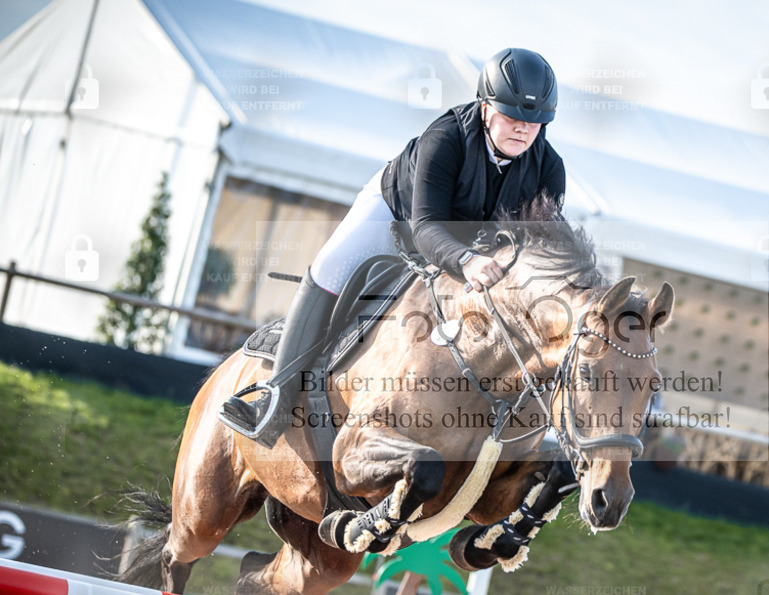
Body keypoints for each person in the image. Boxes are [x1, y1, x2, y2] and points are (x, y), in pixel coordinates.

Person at [219, 48, 566, 446]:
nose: (523, 129)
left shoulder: (549, 168)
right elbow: (426, 228)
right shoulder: (446, 139)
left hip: (471, 245)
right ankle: (276, 400)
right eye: (512, 116)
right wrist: (467, 260)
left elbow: (536, 248)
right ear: (486, 107)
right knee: (331, 265)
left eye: (535, 121)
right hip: (397, 214)